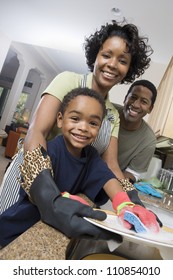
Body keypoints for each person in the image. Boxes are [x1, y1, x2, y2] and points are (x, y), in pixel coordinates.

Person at [0, 19, 156, 242]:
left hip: (65, 190)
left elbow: (111, 166)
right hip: (29, 179)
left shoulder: (112, 115)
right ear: (96, 55)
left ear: (128, 69)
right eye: (107, 55)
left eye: (122, 60)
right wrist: (47, 195)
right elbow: (37, 132)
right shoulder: (67, 80)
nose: (112, 64)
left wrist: (131, 202)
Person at [0, 87, 160, 247]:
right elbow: (35, 191)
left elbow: (109, 180)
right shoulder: (49, 152)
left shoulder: (91, 156)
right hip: (15, 232)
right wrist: (63, 198)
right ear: (60, 119)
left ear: (99, 128)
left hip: (45, 234)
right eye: (75, 119)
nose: (83, 127)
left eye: (92, 123)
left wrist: (126, 205)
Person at [115, 79, 157, 183]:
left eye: (144, 101)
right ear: (125, 98)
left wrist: (127, 189)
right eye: (133, 97)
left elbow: (132, 173)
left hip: (110, 182)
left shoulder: (148, 140)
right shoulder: (108, 112)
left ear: (150, 108)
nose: (136, 105)